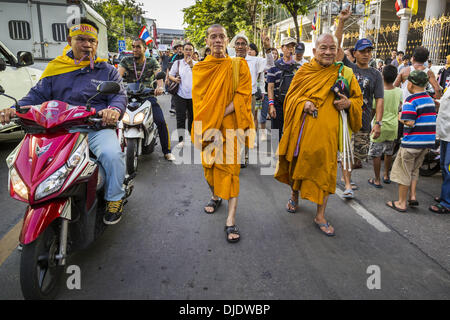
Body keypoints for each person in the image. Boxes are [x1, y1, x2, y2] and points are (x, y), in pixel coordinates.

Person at [0, 18, 127, 225]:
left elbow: (119, 96)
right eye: (81, 39)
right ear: (70, 40)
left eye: (92, 41)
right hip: (58, 130)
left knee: (111, 155)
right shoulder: (55, 68)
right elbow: (35, 96)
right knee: (36, 162)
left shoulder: (107, 70)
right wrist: (14, 110)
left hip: (94, 127)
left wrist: (112, 110)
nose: (87, 45)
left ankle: (114, 198)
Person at [274, 33, 363, 236]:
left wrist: (348, 103)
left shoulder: (344, 74)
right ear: (314, 51)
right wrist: (302, 103)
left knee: (326, 172)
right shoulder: (304, 71)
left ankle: (320, 215)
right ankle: (294, 196)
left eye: (332, 48)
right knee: (298, 165)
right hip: (303, 133)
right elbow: (290, 98)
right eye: (323, 47)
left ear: (337, 51)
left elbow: (358, 100)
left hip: (328, 137)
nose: (328, 52)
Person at [192, 24, 254, 243]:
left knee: (231, 171)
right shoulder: (200, 68)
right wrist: (210, 120)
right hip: (208, 127)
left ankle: (230, 219)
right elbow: (199, 103)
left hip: (231, 126)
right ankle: (215, 195)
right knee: (209, 169)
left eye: (221, 37)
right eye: (213, 37)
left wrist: (218, 115)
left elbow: (242, 97)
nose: (217, 40)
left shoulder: (239, 66)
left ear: (227, 40)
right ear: (207, 41)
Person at [336, 8, 384, 198]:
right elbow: (337, 46)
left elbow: (379, 99)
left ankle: (346, 174)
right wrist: (341, 21)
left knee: (358, 157)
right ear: (354, 53)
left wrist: (377, 123)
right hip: (346, 118)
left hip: (364, 121)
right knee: (347, 152)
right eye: (362, 51)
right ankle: (347, 183)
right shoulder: (348, 66)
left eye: (369, 51)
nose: (366, 54)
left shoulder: (375, 74)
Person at [387, 70, 437, 212]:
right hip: (425, 143)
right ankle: (412, 196)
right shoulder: (429, 99)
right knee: (415, 170)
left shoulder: (411, 100)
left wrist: (399, 116)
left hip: (411, 143)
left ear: (410, 84)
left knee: (404, 172)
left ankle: (401, 203)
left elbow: (409, 122)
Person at [118, 38, 176, 161]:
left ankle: (167, 151)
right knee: (114, 120)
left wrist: (160, 87)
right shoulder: (126, 60)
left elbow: (158, 75)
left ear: (145, 48)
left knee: (160, 121)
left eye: (138, 47)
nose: (135, 49)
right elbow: (118, 76)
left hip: (147, 96)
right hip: (128, 97)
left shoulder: (151, 62)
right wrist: (115, 86)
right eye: (133, 46)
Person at [367, 65, 403, 188]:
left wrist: (369, 123)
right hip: (393, 126)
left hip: (379, 126)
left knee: (376, 153)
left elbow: (373, 110)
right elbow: (400, 106)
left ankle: (377, 179)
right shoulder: (399, 91)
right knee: (388, 152)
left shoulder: (378, 92)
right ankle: (386, 175)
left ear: (382, 76)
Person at [267, 37, 300, 141]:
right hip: (277, 105)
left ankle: (286, 156)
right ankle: (275, 156)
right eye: (288, 46)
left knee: (291, 134)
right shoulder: (274, 66)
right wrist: (271, 105)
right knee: (276, 134)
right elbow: (270, 87)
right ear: (282, 48)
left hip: (292, 105)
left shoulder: (298, 68)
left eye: (292, 47)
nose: (290, 49)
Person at [168, 42, 197, 148]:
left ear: (193, 52)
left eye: (190, 50)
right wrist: (175, 79)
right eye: (186, 49)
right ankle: (181, 140)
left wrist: (191, 66)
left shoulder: (197, 64)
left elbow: (199, 78)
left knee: (192, 117)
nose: (188, 52)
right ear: (183, 51)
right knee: (180, 118)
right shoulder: (178, 63)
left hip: (193, 96)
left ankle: (191, 137)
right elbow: (170, 75)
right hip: (180, 94)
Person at [429, 84, 450, 214]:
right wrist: (437, 102)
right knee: (443, 165)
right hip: (445, 133)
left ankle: (447, 202)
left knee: (448, 168)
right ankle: (445, 195)